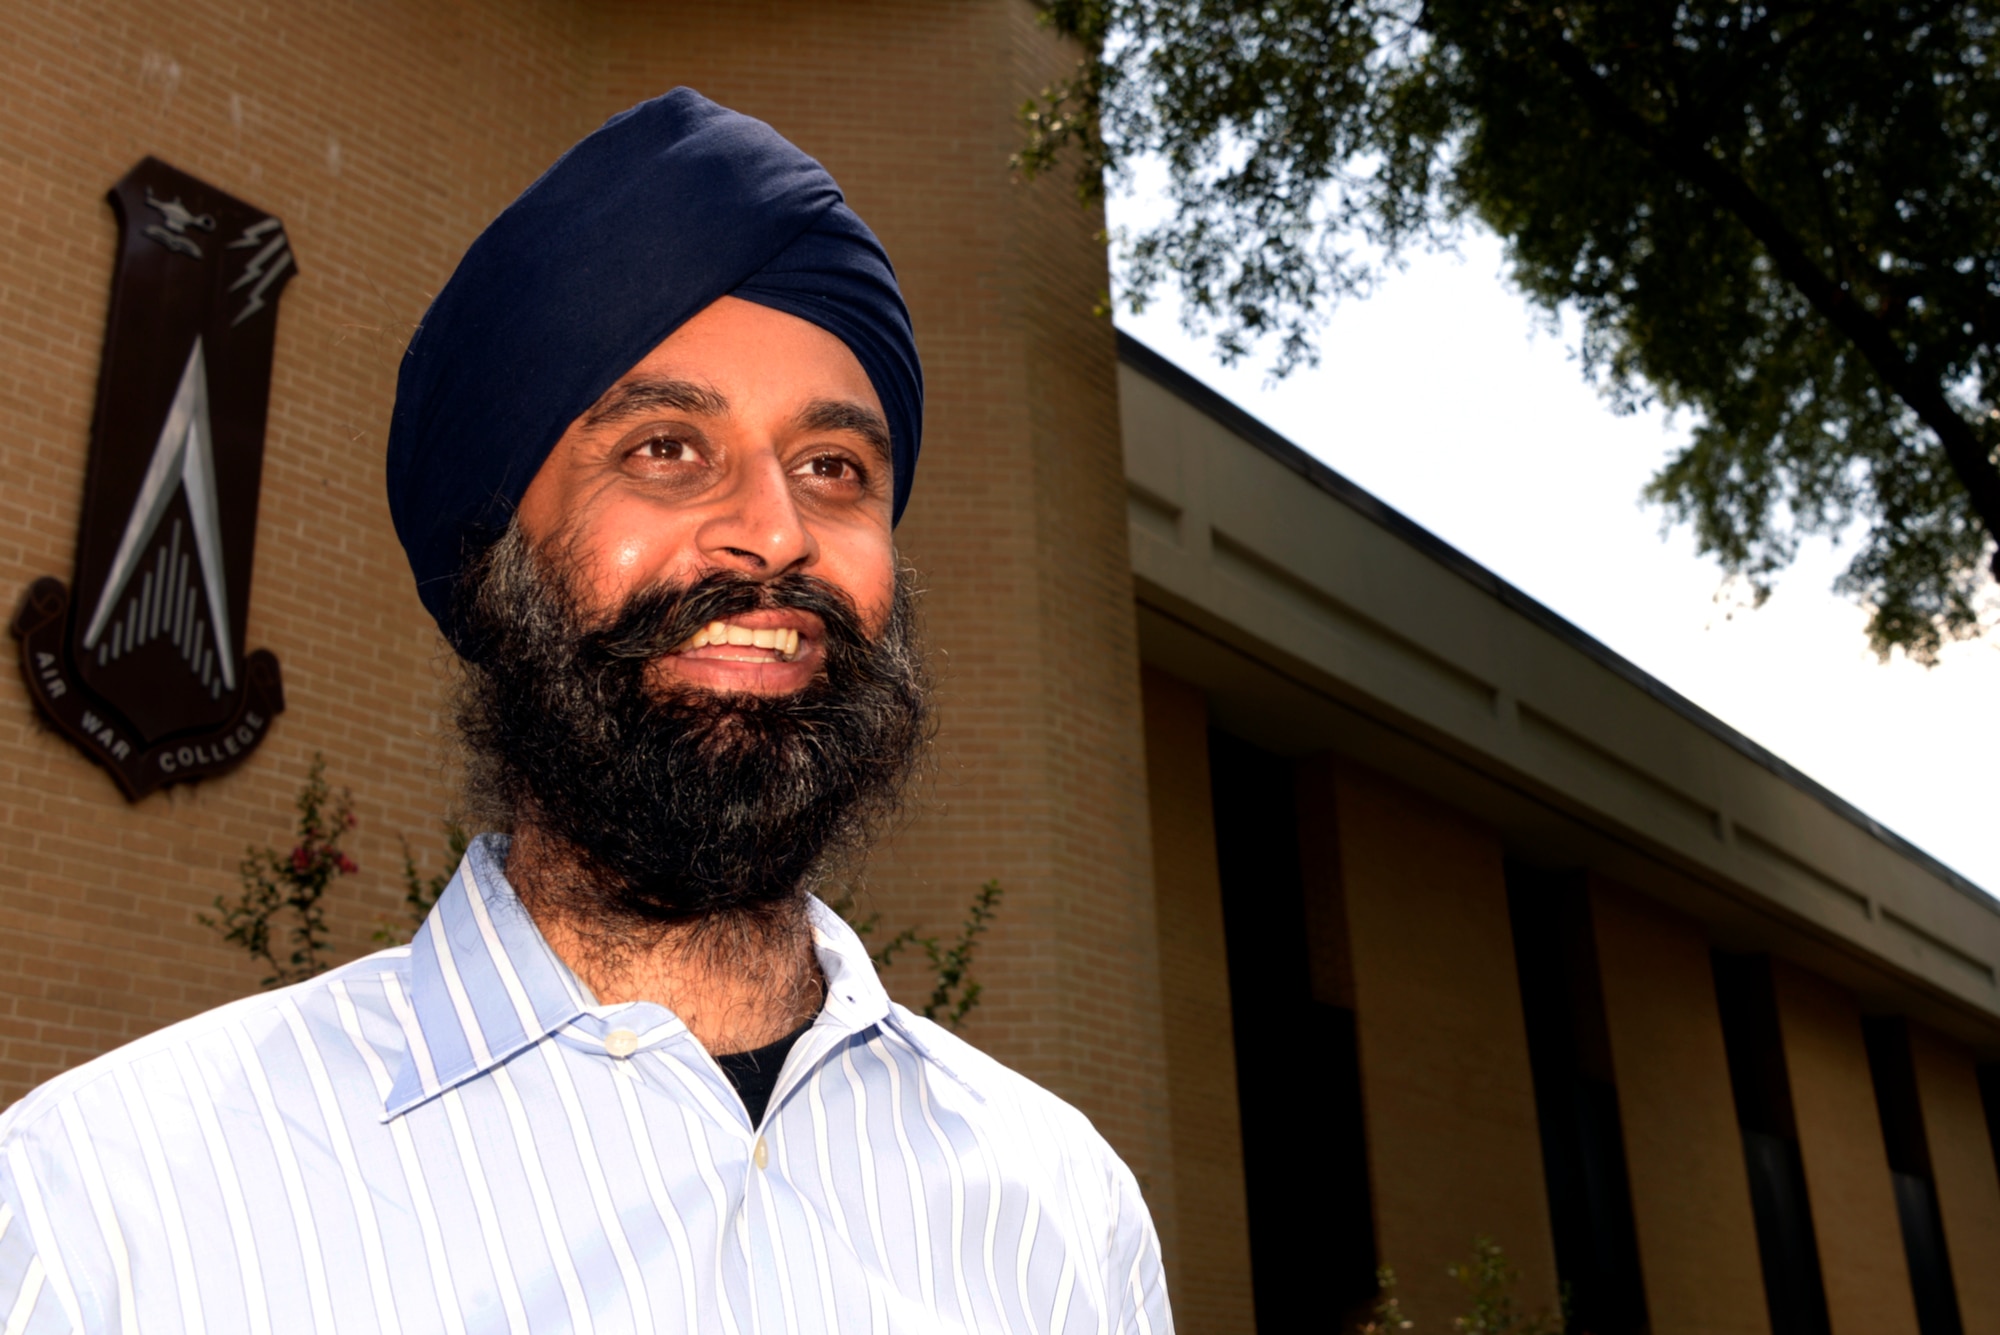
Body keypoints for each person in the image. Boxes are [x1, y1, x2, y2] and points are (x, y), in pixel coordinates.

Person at [0, 89, 1171, 1333]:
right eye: (666, 448)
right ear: (500, 550)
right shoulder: (112, 1212)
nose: (777, 530)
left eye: (835, 469)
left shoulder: (1058, 1215)